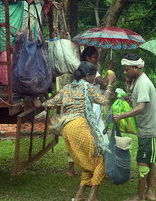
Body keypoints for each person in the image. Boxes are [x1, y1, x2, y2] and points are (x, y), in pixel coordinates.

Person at [43, 61, 115, 201]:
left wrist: (38, 101)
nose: (95, 79)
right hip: (79, 126)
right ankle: (92, 197)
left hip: (67, 129)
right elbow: (104, 101)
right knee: (100, 159)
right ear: (87, 76)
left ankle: (79, 196)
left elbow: (48, 104)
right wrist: (109, 84)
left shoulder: (67, 88)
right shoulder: (88, 88)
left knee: (88, 163)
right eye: (93, 76)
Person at [66, 46, 116, 177]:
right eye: (95, 56)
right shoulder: (90, 70)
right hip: (90, 109)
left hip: (84, 107)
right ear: (87, 58)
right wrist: (110, 72)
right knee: (93, 136)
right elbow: (104, 83)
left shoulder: (82, 68)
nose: (97, 59)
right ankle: (93, 167)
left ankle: (72, 167)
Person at [113, 53, 156, 201]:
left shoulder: (143, 83)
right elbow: (138, 100)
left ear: (137, 67)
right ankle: (150, 192)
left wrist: (120, 116)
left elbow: (141, 108)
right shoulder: (138, 81)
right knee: (150, 160)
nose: (125, 72)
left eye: (127, 69)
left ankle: (139, 195)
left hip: (149, 129)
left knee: (142, 162)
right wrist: (129, 93)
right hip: (146, 128)